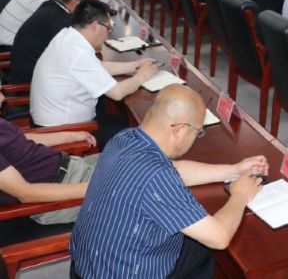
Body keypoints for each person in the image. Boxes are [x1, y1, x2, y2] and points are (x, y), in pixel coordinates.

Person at [69, 85, 268, 279]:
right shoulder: (157, 177)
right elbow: (219, 237)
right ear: (179, 129)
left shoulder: (123, 138)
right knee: (213, 252)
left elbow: (175, 170)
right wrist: (240, 195)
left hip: (86, 267)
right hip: (124, 271)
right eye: (197, 132)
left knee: (194, 239)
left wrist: (234, 170)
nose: (196, 138)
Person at [30, 0, 159, 147]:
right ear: (95, 26)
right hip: (64, 132)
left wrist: (134, 66)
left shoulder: (67, 35)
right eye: (108, 28)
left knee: (122, 120)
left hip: (52, 123)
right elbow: (117, 93)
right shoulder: (78, 53)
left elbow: (96, 67)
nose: (108, 34)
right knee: (139, 136)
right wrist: (141, 77)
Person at [0, 113, 98, 225]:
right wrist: (95, 187)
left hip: (74, 167)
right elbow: (25, 193)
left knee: (115, 154)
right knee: (117, 184)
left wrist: (70, 136)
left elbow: (21, 139)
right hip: (62, 194)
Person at [9, 0, 93, 84]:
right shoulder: (60, 21)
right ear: (76, 2)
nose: (93, 9)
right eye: (91, 4)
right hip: (31, 81)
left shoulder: (50, 5)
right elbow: (78, 54)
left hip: (26, 70)